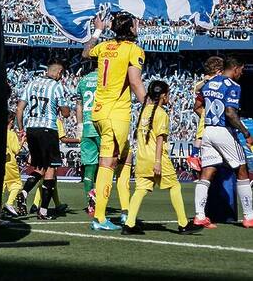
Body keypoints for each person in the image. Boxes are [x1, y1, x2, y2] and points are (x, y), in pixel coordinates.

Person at [81, 12, 146, 231]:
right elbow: (135, 82)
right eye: (136, 24)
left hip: (99, 112)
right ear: (130, 29)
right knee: (108, 164)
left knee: (126, 157)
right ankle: (99, 217)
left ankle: (126, 211)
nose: (138, 27)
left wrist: (97, 30)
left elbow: (86, 52)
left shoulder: (106, 46)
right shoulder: (133, 50)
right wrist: (151, 106)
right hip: (115, 115)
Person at [122, 80, 203, 235]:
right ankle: (183, 224)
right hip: (157, 158)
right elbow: (160, 139)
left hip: (142, 158)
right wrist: (158, 162)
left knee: (140, 190)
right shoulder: (161, 113)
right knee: (174, 186)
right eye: (168, 94)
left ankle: (129, 224)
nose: (169, 98)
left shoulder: (144, 111)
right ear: (164, 96)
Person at [194, 57, 253, 228]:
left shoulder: (209, 83)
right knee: (242, 169)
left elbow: (197, 106)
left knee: (207, 172)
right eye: (241, 70)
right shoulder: (233, 86)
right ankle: (249, 216)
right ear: (235, 68)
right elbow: (229, 112)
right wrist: (246, 132)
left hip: (207, 131)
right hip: (223, 131)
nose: (241, 73)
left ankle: (199, 216)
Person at [15, 58, 70, 220]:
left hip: (32, 128)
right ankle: (43, 211)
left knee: (39, 167)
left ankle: (24, 193)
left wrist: (21, 129)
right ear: (59, 72)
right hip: (48, 128)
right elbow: (66, 112)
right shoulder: (56, 86)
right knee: (51, 169)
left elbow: (19, 109)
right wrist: (65, 109)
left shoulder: (31, 83)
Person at [189, 56, 224, 172]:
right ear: (218, 70)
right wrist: (205, 81)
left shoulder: (222, 81)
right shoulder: (207, 81)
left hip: (217, 111)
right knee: (200, 135)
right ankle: (193, 156)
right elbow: (195, 88)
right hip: (208, 111)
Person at [76, 65, 100, 215]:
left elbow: (79, 105)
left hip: (86, 128)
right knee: (106, 165)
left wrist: (79, 126)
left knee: (89, 168)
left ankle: (90, 202)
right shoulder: (105, 79)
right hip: (101, 127)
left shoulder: (82, 81)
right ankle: (100, 200)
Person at [2, 113, 27, 217]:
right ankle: (9, 203)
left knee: (1, 187)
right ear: (11, 122)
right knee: (16, 184)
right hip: (10, 163)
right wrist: (22, 141)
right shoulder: (11, 134)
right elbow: (16, 150)